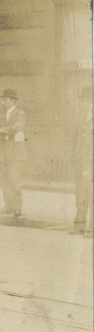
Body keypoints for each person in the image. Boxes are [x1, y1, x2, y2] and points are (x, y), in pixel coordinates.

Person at [0, 88, 26, 217]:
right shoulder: (2, 115)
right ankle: (8, 206)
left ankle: (17, 208)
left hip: (15, 154)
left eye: (5, 100)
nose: (3, 102)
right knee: (4, 181)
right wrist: (3, 131)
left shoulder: (20, 114)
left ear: (13, 101)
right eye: (2, 100)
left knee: (15, 181)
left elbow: (16, 127)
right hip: (3, 153)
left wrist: (2, 130)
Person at [72, 86, 93, 235]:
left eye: (87, 100)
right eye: (84, 100)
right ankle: (79, 226)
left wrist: (87, 166)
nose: (85, 103)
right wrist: (75, 159)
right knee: (80, 195)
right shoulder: (83, 118)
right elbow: (76, 141)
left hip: (90, 163)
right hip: (80, 163)